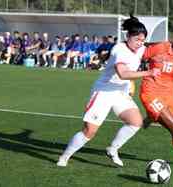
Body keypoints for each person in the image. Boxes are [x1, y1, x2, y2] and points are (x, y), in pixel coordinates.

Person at [107, 24, 173, 169]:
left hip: (170, 95)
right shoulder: (160, 48)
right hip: (151, 93)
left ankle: (151, 117)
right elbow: (137, 53)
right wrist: (124, 65)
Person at [56, 16, 160, 167]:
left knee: (136, 122)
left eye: (142, 40)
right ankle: (64, 157)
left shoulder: (141, 48)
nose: (140, 43)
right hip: (104, 91)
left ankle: (112, 149)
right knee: (89, 131)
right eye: (137, 39)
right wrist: (148, 73)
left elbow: (154, 48)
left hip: (120, 93)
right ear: (128, 36)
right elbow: (123, 74)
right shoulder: (119, 49)